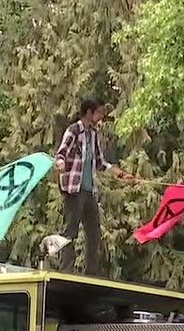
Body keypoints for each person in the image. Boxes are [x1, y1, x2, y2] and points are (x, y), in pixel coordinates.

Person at [53, 96, 137, 276]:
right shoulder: (73, 131)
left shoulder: (93, 134)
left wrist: (121, 174)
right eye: (99, 112)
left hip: (89, 190)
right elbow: (61, 154)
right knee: (70, 231)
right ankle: (65, 270)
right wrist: (60, 163)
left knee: (94, 234)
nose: (101, 117)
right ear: (89, 112)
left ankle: (91, 273)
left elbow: (100, 162)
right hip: (73, 190)